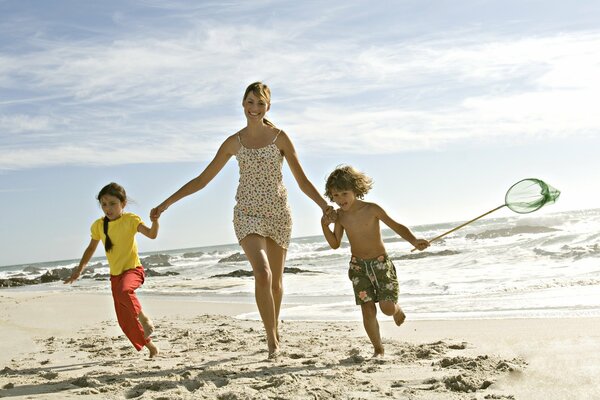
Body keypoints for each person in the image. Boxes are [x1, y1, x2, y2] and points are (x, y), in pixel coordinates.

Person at [151, 82, 335, 358]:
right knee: (263, 273)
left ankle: (274, 327)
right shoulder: (234, 142)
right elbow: (202, 180)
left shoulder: (280, 138)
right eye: (250, 102)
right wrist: (167, 203)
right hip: (246, 214)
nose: (254, 108)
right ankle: (271, 339)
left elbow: (302, 181)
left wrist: (324, 206)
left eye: (260, 103)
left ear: (268, 106)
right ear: (243, 104)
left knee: (276, 283)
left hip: (278, 214)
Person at [320, 165, 429, 357]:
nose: (340, 199)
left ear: (355, 189)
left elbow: (396, 226)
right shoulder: (341, 217)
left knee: (386, 308)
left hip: (380, 263)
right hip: (358, 267)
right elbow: (335, 244)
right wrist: (324, 225)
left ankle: (396, 310)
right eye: (335, 195)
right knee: (367, 309)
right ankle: (378, 348)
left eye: (344, 193)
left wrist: (413, 240)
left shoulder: (372, 209)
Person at [64, 182, 159, 358]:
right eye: (104, 204)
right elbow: (91, 248)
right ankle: (151, 347)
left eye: (113, 203)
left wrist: (155, 221)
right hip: (115, 276)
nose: (108, 208)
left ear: (123, 203)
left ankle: (145, 320)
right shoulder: (99, 225)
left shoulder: (131, 220)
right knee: (124, 320)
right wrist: (80, 269)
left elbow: (152, 235)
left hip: (133, 271)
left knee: (125, 291)